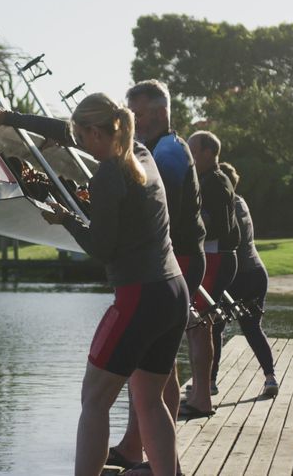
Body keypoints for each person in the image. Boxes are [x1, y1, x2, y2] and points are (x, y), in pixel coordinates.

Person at [0, 93, 188, 476]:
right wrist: (10, 118)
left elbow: (102, 248)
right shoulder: (140, 151)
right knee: (149, 400)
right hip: (172, 291)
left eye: (81, 134)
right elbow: (63, 130)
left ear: (97, 132)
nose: (75, 140)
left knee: (94, 400)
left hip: (138, 296)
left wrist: (66, 219)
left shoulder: (109, 176)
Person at [105, 80, 208, 473]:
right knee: (156, 362)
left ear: (161, 112)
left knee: (148, 363)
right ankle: (137, 447)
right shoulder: (165, 147)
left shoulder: (165, 152)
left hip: (174, 260)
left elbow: (152, 208)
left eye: (139, 116)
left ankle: (154, 456)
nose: (132, 123)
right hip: (175, 259)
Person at [186, 131, 240, 403]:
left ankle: (206, 384)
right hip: (214, 256)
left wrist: (187, 227)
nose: (191, 158)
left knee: (203, 322)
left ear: (209, 152)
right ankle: (204, 383)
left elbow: (219, 226)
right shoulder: (210, 180)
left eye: (194, 152)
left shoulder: (215, 183)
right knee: (203, 322)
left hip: (217, 256)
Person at [218, 162, 278, 398]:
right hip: (256, 272)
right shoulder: (241, 201)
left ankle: (209, 381)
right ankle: (270, 377)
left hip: (239, 274)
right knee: (251, 328)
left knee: (214, 327)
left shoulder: (228, 204)